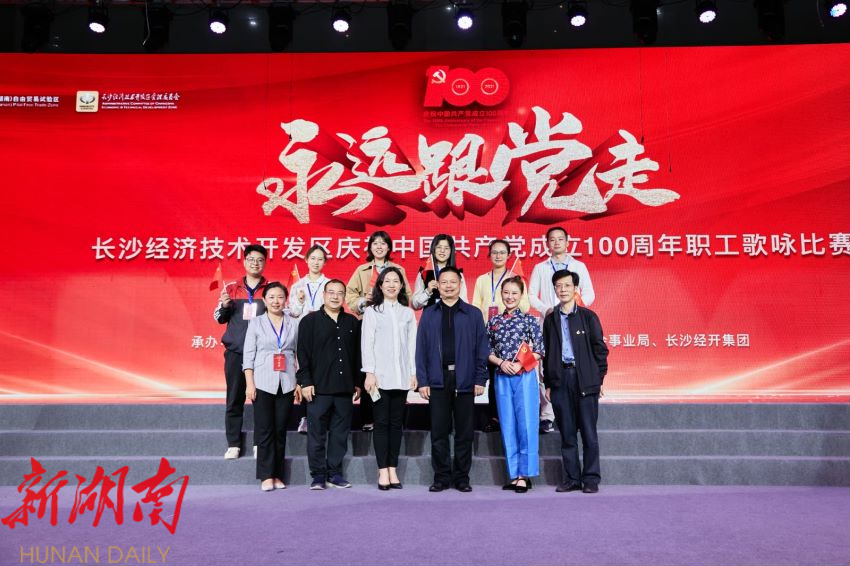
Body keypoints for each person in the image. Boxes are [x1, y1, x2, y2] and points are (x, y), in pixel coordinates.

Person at [416, 267, 488, 493]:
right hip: (437, 380)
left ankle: (462, 478)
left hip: (465, 379)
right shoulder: (429, 313)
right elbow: (420, 350)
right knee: (439, 432)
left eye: (453, 282)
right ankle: (441, 477)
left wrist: (480, 378)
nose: (448, 286)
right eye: (444, 282)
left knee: (464, 433)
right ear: (438, 285)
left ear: (460, 284)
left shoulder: (473, 314)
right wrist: (423, 381)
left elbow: (482, 349)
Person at [542, 269, 608, 494]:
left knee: (589, 433)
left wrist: (598, 379)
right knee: (567, 434)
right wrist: (549, 383)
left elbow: (600, 350)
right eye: (558, 286)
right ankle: (572, 478)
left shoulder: (588, 317)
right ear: (554, 289)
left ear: (576, 289)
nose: (563, 290)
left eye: (567, 285)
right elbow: (548, 353)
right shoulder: (550, 320)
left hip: (585, 380)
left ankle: (591, 478)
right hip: (560, 381)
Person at [528, 227, 595, 435]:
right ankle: (547, 415)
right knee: (546, 366)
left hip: (574, 321)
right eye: (552, 239)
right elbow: (531, 295)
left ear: (567, 242)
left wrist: (575, 307)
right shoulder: (540, 267)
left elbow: (589, 293)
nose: (556, 242)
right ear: (547, 243)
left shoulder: (579, 266)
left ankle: (574, 410)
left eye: (560, 239)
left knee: (575, 363)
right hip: (549, 322)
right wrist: (546, 310)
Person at [296, 279, 362, 490]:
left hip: (344, 388)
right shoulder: (309, 321)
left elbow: (357, 356)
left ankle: (334, 474)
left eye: (340, 293)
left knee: (339, 435)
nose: (335, 296)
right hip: (318, 389)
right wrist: (305, 382)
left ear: (344, 296)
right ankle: (318, 475)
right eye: (331, 292)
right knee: (316, 435)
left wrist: (358, 383)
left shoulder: (352, 322)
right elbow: (302, 354)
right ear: (324, 295)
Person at [346, 231, 412, 432]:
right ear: (370, 247)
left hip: (393, 323)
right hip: (367, 321)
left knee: (396, 365)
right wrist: (363, 302)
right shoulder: (362, 270)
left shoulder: (398, 269)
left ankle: (395, 415)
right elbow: (349, 295)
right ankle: (369, 417)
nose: (379, 247)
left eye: (383, 243)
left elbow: (407, 295)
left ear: (389, 247)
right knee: (369, 368)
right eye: (375, 243)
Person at [361, 267, 417, 490]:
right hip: (380, 378)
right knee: (382, 424)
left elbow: (411, 346)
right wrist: (369, 372)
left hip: (401, 376)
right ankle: (382, 469)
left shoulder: (407, 313)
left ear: (401, 286)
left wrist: (413, 372)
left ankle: (393, 468)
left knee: (396, 424)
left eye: (396, 281)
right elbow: (367, 344)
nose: (392, 285)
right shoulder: (372, 311)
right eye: (387, 281)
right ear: (380, 285)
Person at [242, 282, 302, 491]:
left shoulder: (293, 323)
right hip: (262, 382)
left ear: (286, 299)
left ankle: (278, 474)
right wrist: (250, 383)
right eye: (272, 297)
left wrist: (299, 382)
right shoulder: (256, 323)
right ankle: (266, 476)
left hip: (287, 382)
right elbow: (248, 356)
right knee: (265, 430)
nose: (276, 301)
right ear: (264, 300)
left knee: (280, 430)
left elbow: (298, 354)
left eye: (280, 297)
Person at [487, 276, 544, 494]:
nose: (510, 297)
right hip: (502, 377)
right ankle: (513, 474)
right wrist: (501, 363)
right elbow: (487, 350)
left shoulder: (530, 320)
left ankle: (524, 475)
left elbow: (540, 350)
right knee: (508, 425)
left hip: (525, 376)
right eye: (506, 293)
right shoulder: (493, 322)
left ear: (521, 296)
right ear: (501, 294)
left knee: (527, 424)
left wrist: (520, 364)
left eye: (514, 293)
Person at [215, 244, 272, 459]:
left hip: (262, 354)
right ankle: (233, 444)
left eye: (260, 260)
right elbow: (218, 318)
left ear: (265, 263)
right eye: (251, 259)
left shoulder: (270, 289)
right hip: (236, 353)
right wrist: (225, 306)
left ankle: (260, 443)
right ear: (244, 261)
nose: (255, 263)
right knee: (234, 399)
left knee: (262, 401)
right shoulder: (231, 288)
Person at [471, 239, 530, 433]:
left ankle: (513, 416)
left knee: (511, 377)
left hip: (510, 336)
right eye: (494, 252)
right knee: (492, 376)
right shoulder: (481, 279)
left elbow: (525, 306)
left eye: (502, 252)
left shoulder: (516, 279)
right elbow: (475, 306)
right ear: (489, 255)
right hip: (488, 334)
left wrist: (507, 304)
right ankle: (495, 417)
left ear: (509, 255)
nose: (498, 256)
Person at [289, 244, 331, 435]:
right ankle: (305, 417)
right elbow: (293, 312)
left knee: (323, 373)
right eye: (313, 258)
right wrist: (299, 300)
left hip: (324, 334)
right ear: (306, 260)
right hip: (304, 335)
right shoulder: (297, 285)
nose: (316, 262)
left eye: (320, 259)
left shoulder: (329, 284)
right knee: (305, 373)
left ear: (325, 262)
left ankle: (323, 416)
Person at [411, 234, 468, 309]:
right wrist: (428, 291)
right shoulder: (424, 273)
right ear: (433, 249)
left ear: (451, 251)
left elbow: (464, 303)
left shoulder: (458, 274)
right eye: (439, 247)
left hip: (452, 315)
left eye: (446, 248)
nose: (442, 251)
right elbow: (415, 305)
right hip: (430, 316)